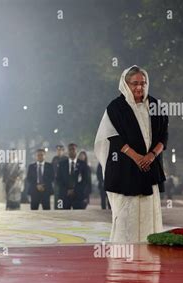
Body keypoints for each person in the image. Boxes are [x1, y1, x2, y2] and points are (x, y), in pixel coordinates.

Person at [94, 65, 168, 243]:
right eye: (135, 83)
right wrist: (137, 158)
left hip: (150, 167)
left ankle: (149, 247)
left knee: (149, 212)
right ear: (125, 84)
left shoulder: (156, 105)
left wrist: (150, 156)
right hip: (124, 170)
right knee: (127, 214)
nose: (139, 87)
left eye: (143, 83)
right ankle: (124, 252)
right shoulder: (116, 107)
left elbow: (163, 136)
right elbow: (113, 136)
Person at [56, 143, 89, 209]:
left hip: (78, 195)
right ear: (67, 151)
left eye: (73, 149)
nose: (71, 151)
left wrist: (75, 190)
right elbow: (58, 179)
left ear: (76, 150)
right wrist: (66, 190)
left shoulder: (83, 164)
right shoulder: (62, 164)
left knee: (78, 217)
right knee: (65, 217)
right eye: (70, 149)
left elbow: (86, 180)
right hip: (65, 195)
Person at [51, 145, 66, 209]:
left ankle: (62, 208)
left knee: (62, 195)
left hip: (63, 181)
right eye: (57, 150)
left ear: (63, 151)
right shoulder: (55, 159)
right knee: (56, 195)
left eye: (60, 150)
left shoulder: (66, 159)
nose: (59, 151)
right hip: (56, 181)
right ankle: (56, 208)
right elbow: (51, 169)